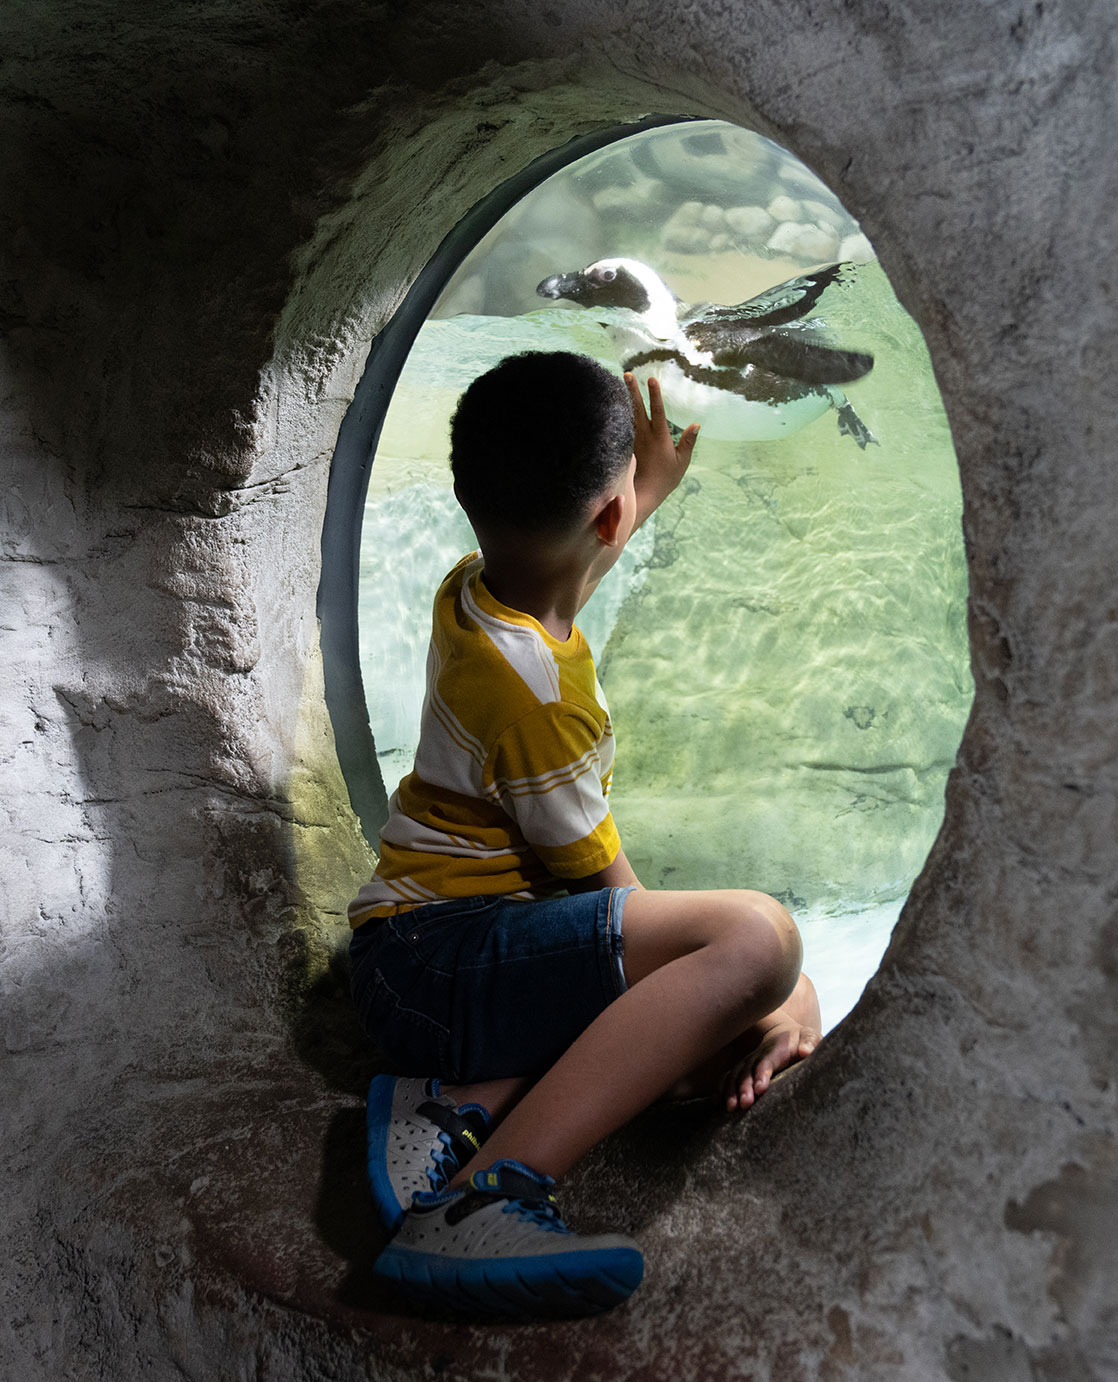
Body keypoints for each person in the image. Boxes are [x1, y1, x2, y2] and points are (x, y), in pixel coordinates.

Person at [346, 350, 821, 1319]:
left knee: (757, 992)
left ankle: (457, 1099)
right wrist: (755, 997)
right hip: (438, 965)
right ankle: (483, 1196)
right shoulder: (540, 706)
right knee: (758, 944)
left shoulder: (478, 593)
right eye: (626, 502)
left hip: (415, 951)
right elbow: (615, 904)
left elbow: (562, 584)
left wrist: (642, 488)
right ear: (608, 519)